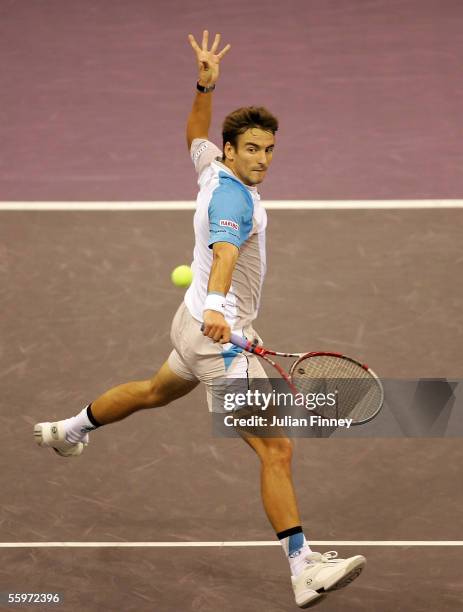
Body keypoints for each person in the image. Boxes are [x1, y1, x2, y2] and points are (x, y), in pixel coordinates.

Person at [34, 29, 366, 608]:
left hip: (188, 326)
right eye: (254, 150)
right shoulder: (234, 200)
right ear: (233, 150)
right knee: (276, 450)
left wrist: (203, 86)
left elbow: (194, 133)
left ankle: (68, 430)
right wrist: (219, 308)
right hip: (218, 337)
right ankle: (303, 568)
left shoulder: (212, 166)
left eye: (270, 149)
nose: (263, 159)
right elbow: (225, 253)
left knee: (157, 390)